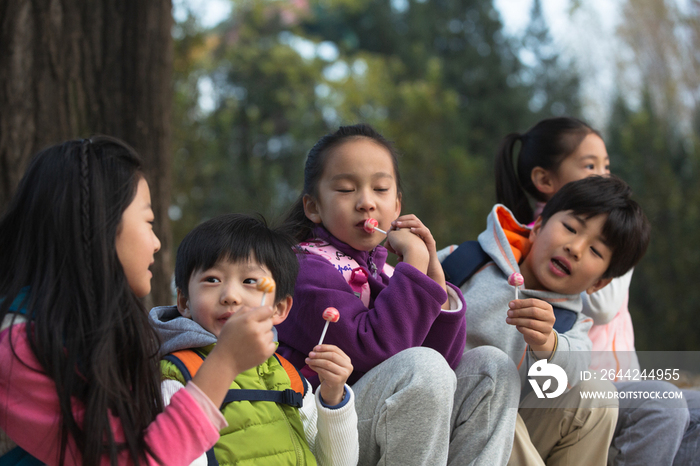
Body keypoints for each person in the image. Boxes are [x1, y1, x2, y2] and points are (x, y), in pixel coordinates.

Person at [0, 137, 279, 465]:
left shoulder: (106, 327)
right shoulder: (16, 347)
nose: (157, 243)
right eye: (148, 222)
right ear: (101, 226)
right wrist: (225, 362)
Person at [277, 123, 521, 465]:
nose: (366, 203)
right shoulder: (303, 266)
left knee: (492, 368)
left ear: (397, 205)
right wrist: (415, 263)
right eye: (346, 189)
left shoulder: (392, 273)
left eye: (380, 188)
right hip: (326, 429)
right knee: (422, 368)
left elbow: (444, 366)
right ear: (313, 207)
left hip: (383, 416)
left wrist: (433, 275)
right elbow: (371, 349)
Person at [493, 117, 697, 466]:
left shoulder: (595, 232)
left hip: (613, 379)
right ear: (545, 180)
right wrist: (614, 260)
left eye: (606, 166)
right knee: (664, 406)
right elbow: (600, 306)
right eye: (590, 167)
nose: (604, 177)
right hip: (576, 386)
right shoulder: (538, 239)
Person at [446, 175, 654, 465]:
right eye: (570, 228)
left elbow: (574, 366)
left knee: (598, 398)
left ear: (598, 284)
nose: (576, 248)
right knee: (495, 391)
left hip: (511, 433)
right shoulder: (467, 262)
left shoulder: (571, 324)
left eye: (595, 250)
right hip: (442, 404)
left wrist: (549, 343)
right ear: (539, 226)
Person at [150, 213, 358, 465]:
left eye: (249, 281)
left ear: (280, 308)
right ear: (184, 301)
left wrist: (333, 398)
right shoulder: (177, 375)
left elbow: (336, 463)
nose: (230, 296)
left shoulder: (289, 376)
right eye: (212, 279)